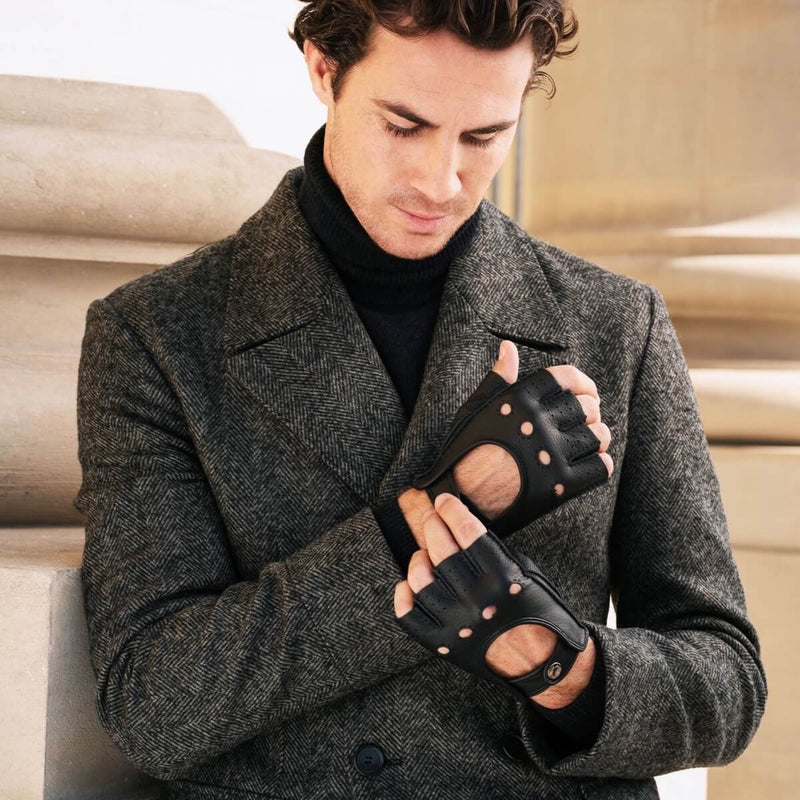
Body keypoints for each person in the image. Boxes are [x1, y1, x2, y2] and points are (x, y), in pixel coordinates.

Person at [74, 2, 767, 798]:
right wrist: (449, 506)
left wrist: (558, 664)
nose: (441, 181)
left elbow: (728, 685)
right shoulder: (158, 334)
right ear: (323, 68)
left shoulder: (613, 323)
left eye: (484, 136)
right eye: (405, 126)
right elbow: (153, 704)